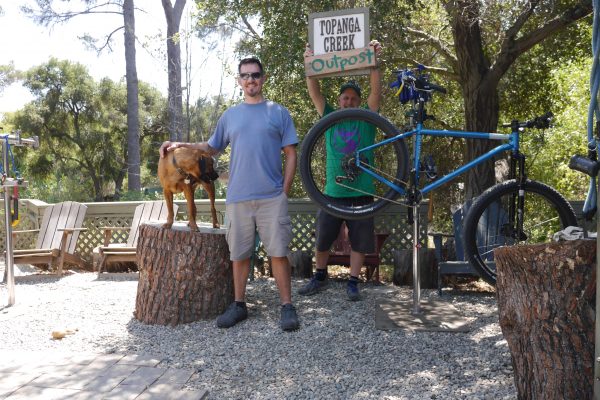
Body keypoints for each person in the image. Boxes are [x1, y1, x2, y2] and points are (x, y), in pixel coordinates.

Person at [159, 57, 300, 331]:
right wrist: (180, 143)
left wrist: (284, 191)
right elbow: (211, 148)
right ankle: (239, 305)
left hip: (272, 197)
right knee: (239, 254)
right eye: (245, 75)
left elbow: (291, 154)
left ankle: (287, 306)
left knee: (278, 252)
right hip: (238, 198)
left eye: (255, 75)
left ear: (263, 78)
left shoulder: (278, 112)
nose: (251, 80)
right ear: (239, 81)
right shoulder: (230, 116)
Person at [299, 40, 383, 301]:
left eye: (353, 98)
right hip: (332, 192)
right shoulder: (329, 116)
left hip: (362, 192)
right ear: (339, 101)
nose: (348, 101)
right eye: (344, 98)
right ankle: (320, 275)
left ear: (359, 101)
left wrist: (374, 61)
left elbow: (376, 92)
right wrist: (309, 63)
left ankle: (353, 281)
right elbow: (315, 92)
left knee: (360, 242)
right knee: (323, 238)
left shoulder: (368, 119)